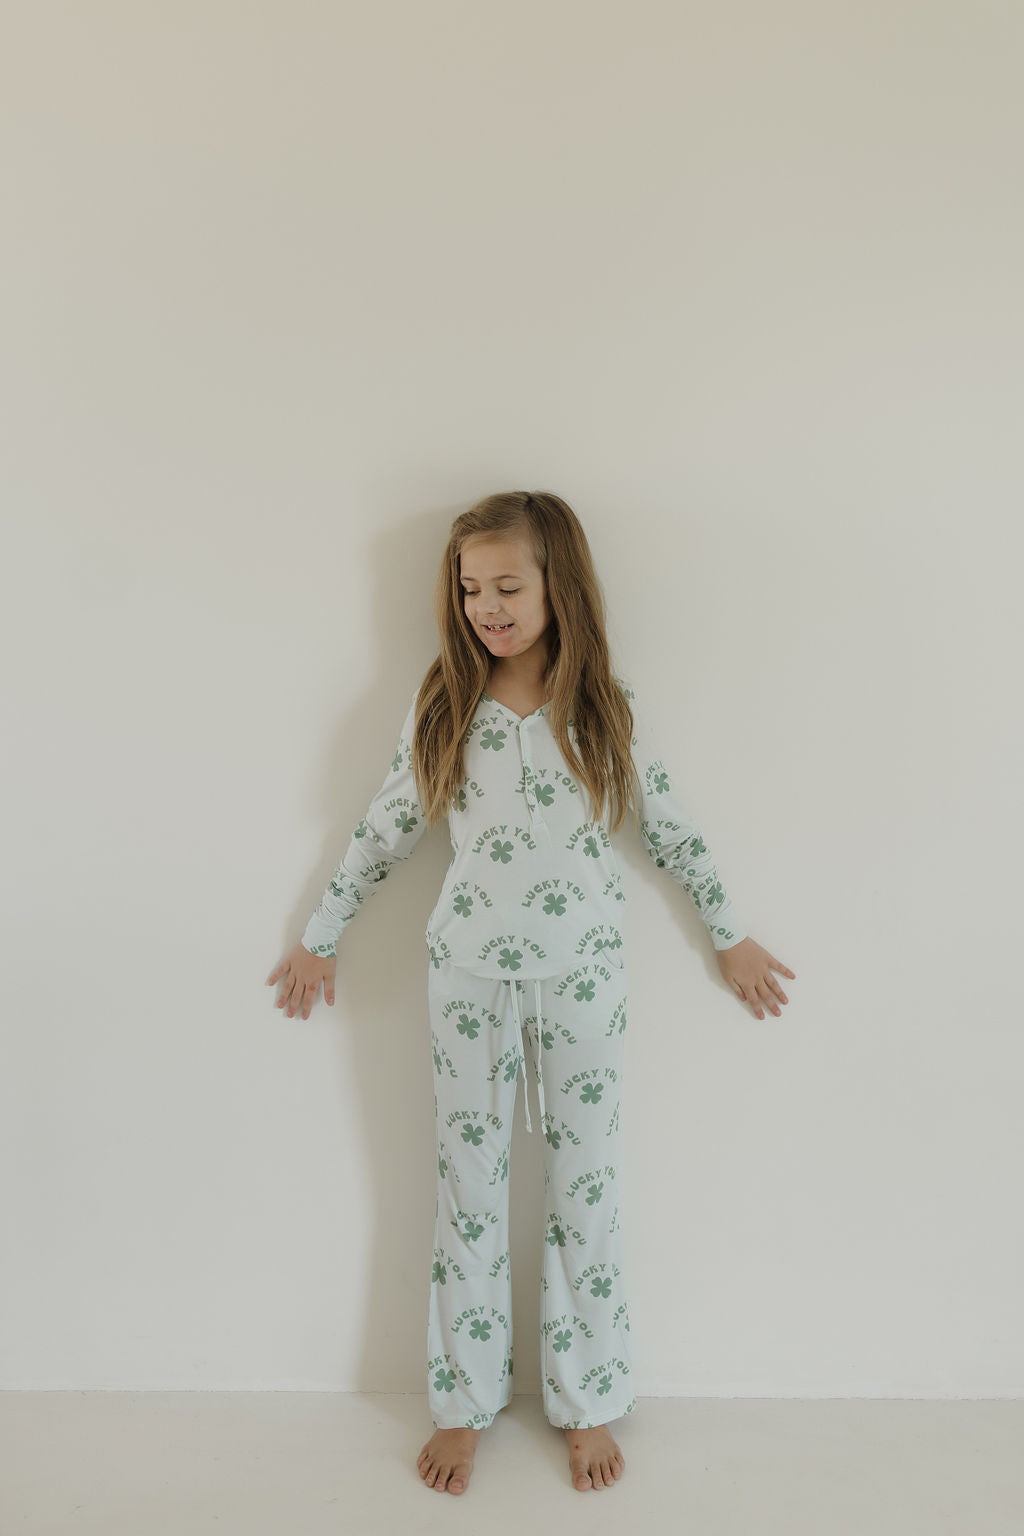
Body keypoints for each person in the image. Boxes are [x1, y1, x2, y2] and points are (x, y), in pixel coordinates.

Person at [266, 490, 795, 1495]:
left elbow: (671, 830)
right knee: (469, 1193)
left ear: (560, 586)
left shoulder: (604, 708)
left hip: (583, 975)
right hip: (468, 977)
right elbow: (386, 831)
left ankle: (586, 1397)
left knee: (584, 1191)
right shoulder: (446, 707)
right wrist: (320, 937)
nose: (486, 607)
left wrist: (729, 935)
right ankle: (463, 1404)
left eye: (508, 586)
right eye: (470, 589)